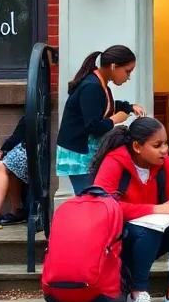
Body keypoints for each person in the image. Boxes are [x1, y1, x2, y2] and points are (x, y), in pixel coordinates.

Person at [91, 116, 169, 302]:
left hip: (149, 235)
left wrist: (162, 211)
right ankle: (137, 295)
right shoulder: (115, 162)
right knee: (150, 229)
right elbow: (103, 207)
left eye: (166, 143)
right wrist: (154, 209)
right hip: (119, 242)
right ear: (137, 146)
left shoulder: (163, 163)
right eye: (157, 145)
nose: (165, 150)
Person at [57, 45, 144, 195]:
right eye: (127, 71)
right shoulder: (92, 86)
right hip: (79, 154)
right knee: (89, 198)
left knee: (97, 195)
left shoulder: (98, 83)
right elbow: (94, 126)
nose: (128, 77)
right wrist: (115, 120)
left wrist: (129, 107)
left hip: (84, 152)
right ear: (113, 66)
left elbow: (104, 105)